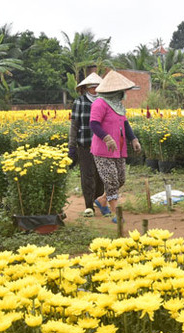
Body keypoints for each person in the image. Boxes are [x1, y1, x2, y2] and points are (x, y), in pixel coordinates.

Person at [89, 70, 141, 223]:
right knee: (111, 180)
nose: (124, 94)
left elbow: (125, 123)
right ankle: (116, 214)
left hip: (118, 148)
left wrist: (133, 139)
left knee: (120, 179)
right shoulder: (99, 103)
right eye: (122, 91)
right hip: (103, 149)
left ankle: (102, 200)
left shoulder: (118, 105)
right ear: (114, 91)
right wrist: (106, 137)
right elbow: (94, 124)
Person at [68, 72, 106, 218]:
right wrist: (71, 145)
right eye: (91, 87)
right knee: (87, 174)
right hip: (84, 143)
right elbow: (74, 125)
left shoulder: (104, 102)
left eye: (97, 87)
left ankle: (99, 201)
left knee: (100, 174)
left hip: (102, 144)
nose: (94, 89)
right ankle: (89, 205)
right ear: (85, 88)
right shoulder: (79, 102)